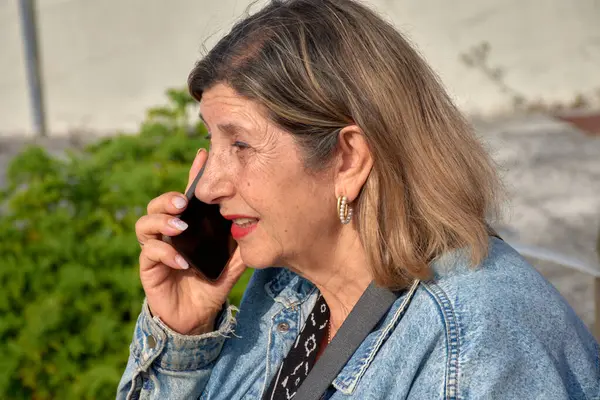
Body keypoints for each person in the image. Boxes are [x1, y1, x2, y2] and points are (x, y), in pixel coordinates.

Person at [117, 0, 600, 399]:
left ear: (348, 159)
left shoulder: (481, 344)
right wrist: (185, 337)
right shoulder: (287, 287)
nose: (206, 186)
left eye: (240, 144)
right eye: (212, 142)